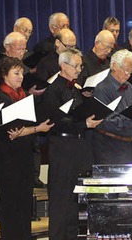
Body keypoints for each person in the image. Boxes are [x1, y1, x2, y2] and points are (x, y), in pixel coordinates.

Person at [38, 48, 102, 240]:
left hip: (78, 146)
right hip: (62, 145)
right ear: (63, 66)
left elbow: (77, 113)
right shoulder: (53, 89)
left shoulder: (76, 87)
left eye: (80, 66)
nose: (79, 70)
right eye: (76, 66)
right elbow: (55, 120)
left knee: (77, 197)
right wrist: (84, 123)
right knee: (61, 198)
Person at [0, 57, 53, 239]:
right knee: (11, 205)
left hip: (24, 156)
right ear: (4, 75)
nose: (20, 77)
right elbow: (10, 132)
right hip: (8, 159)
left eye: (21, 73)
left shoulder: (22, 95)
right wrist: (37, 128)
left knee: (24, 205)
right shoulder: (1, 97)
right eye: (16, 73)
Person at [93, 49, 132, 164]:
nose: (127, 75)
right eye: (125, 70)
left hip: (128, 145)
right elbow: (107, 121)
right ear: (115, 66)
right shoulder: (102, 89)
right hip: (108, 146)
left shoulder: (129, 87)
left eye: (130, 72)